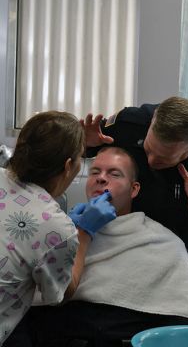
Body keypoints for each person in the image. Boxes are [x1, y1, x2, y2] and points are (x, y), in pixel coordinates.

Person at [27, 146, 188, 347]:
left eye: (114, 174)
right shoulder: (62, 231)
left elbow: (186, 318)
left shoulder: (162, 241)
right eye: (95, 172)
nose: (101, 178)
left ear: (134, 189)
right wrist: (77, 231)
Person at [83, 96, 188, 290]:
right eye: (148, 150)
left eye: (163, 159)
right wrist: (85, 145)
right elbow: (78, 154)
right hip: (129, 246)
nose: (150, 161)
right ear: (150, 125)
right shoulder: (129, 123)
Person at [0, 111, 116, 347]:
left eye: (114, 173)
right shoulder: (57, 229)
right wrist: (83, 232)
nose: (102, 179)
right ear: (68, 166)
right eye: (92, 167)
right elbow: (61, 293)